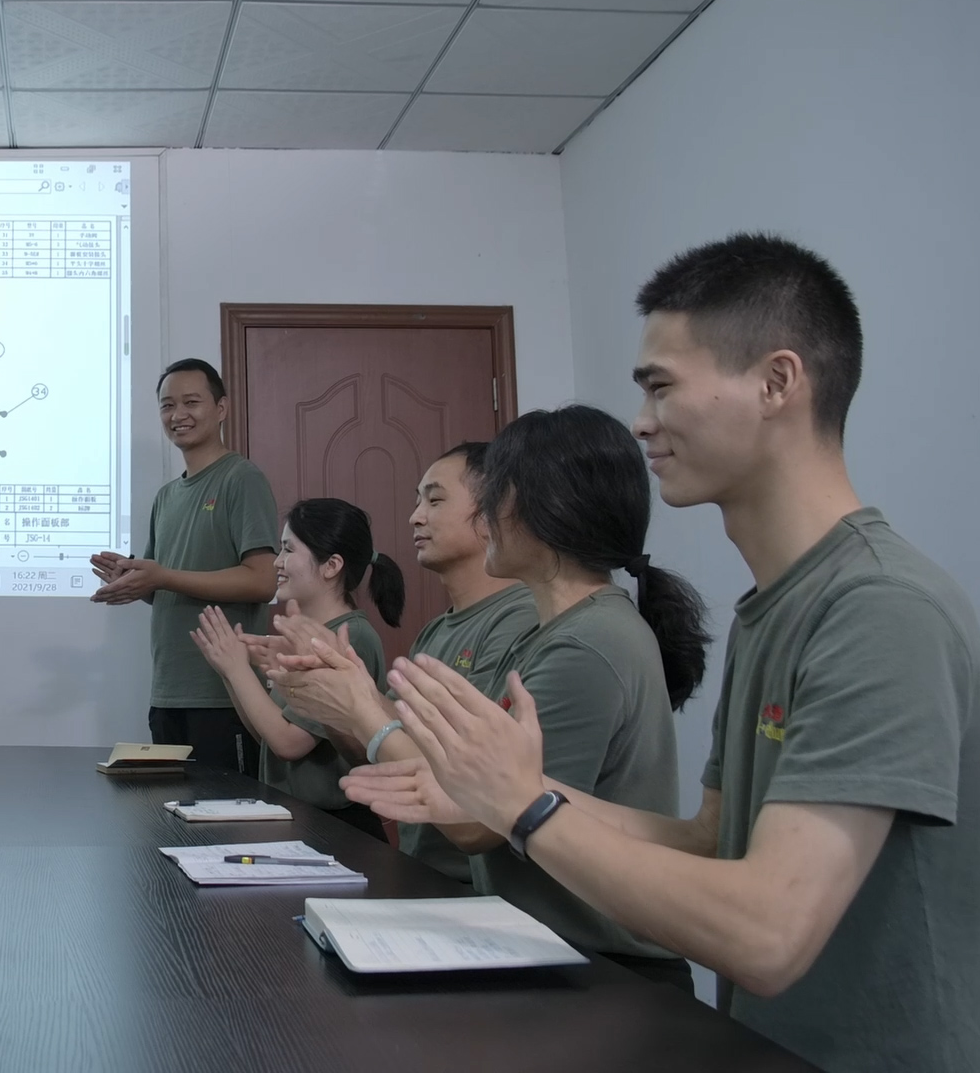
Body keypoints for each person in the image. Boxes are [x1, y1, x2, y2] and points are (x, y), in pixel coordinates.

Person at [350, 235, 980, 1072]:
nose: (641, 422)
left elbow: (769, 933)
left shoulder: (877, 608)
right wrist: (501, 785)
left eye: (661, 387)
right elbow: (710, 837)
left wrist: (525, 809)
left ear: (777, 383)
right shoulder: (772, 609)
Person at [277, 405, 707, 991]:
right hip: (543, 945)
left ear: (546, 509)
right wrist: (352, 701)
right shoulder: (559, 631)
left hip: (601, 968)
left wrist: (360, 706)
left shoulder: (588, 643)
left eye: (496, 497)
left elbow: (479, 821)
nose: (485, 518)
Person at [272, 442, 534, 881]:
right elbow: (379, 751)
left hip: (473, 883)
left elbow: (475, 792)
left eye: (435, 500)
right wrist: (335, 698)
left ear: (494, 512)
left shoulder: (519, 620)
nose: (415, 516)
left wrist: (353, 700)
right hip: (422, 869)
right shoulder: (436, 631)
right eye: (416, 501)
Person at [91, 358, 278, 774]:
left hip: (225, 694)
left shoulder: (241, 478)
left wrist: (163, 575)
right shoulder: (166, 496)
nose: (178, 414)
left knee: (225, 812)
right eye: (167, 405)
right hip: (169, 692)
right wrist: (133, 579)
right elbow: (164, 587)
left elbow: (263, 580)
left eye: (191, 402)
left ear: (221, 408)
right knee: (172, 810)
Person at [190, 498, 403, 835]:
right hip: (294, 817)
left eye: (288, 550)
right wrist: (228, 668)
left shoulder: (350, 636)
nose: (277, 562)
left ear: (331, 565)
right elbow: (266, 736)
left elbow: (288, 743)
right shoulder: (306, 635)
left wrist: (237, 670)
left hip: (335, 826)